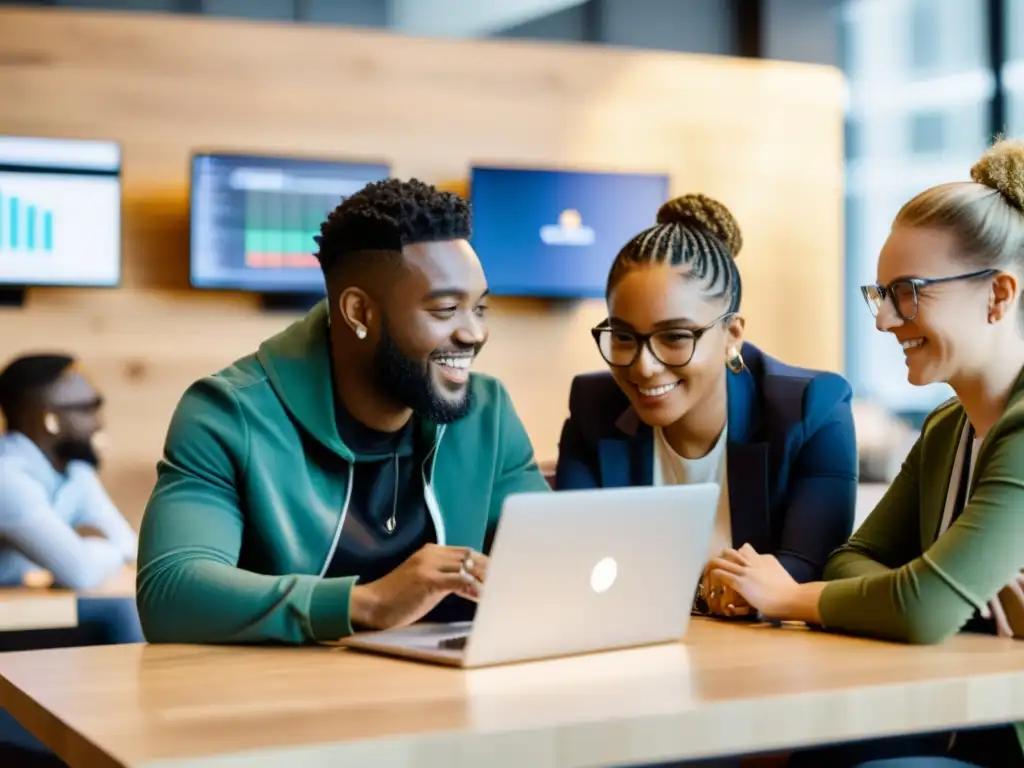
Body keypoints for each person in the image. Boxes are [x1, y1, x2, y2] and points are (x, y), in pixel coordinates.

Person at [708, 139, 1024, 767]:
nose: (883, 321)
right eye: (878, 293)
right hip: (956, 714)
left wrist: (788, 596)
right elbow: (851, 560)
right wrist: (948, 601)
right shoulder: (945, 429)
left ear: (999, 294)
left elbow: (925, 607)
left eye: (908, 291)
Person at [136, 178, 550, 646]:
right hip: (283, 707)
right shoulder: (229, 414)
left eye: (480, 308)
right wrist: (368, 603)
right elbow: (171, 592)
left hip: (458, 697)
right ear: (360, 313)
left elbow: (553, 558)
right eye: (446, 309)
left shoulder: (487, 413)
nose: (474, 333)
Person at [555, 193, 859, 617]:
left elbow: (805, 569)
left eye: (675, 337)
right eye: (624, 336)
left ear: (732, 334)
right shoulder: (594, 409)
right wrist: (706, 592)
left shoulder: (812, 409)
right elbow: (573, 559)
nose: (644, 367)